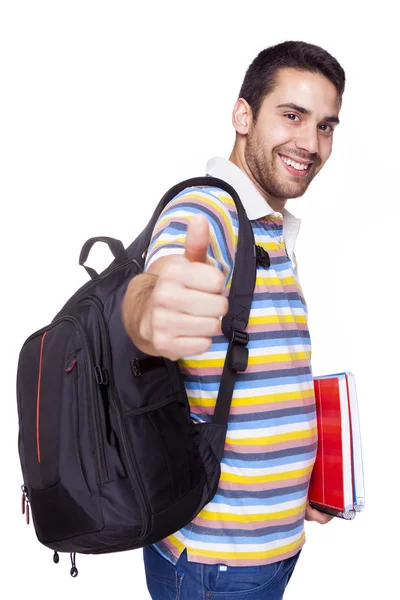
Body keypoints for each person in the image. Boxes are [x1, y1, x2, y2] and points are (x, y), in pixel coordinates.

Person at [122, 40, 345, 600]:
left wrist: (303, 484)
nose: (310, 143)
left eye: (325, 126)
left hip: (271, 547)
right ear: (243, 115)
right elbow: (154, 294)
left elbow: (261, 384)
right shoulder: (208, 210)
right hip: (214, 565)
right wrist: (154, 309)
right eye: (291, 116)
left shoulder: (268, 227)